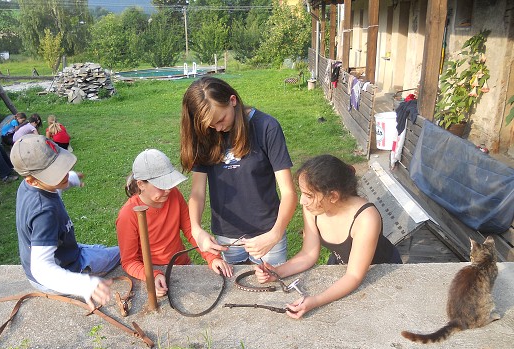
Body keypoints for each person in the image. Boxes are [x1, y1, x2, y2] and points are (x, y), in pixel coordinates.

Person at [255, 155, 402, 319]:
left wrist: (315, 301)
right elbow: (308, 254)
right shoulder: (314, 209)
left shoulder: (366, 218)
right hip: (344, 267)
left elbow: (354, 275)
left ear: (333, 196)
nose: (302, 201)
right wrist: (276, 272)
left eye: (308, 195)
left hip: (379, 271)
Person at [180, 76, 297, 265]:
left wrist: (275, 234)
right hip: (227, 237)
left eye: (221, 119)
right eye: (211, 125)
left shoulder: (267, 127)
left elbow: (289, 192)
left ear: (232, 101)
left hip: (267, 233)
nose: (218, 129)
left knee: (270, 291)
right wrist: (196, 229)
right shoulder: (207, 135)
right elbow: (197, 193)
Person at [11, 134, 120, 310]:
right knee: (122, 253)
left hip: (64, 251)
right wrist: (83, 284)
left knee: (98, 249)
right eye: (56, 173)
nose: (62, 174)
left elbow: (52, 184)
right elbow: (42, 270)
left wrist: (71, 179)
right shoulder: (44, 212)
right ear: (31, 179)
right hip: (61, 270)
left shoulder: (31, 185)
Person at [116, 149, 232, 297]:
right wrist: (152, 276)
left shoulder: (174, 195)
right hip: (151, 273)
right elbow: (129, 261)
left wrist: (212, 257)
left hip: (182, 265)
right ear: (141, 184)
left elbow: (191, 230)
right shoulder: (128, 215)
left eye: (169, 183)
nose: (168, 190)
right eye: (161, 185)